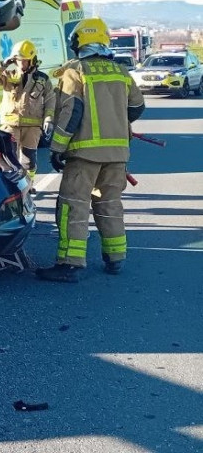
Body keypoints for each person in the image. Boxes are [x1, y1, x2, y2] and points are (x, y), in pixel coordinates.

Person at [36, 18, 145, 283]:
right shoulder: (121, 72)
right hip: (117, 155)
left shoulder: (76, 71)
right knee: (110, 204)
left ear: (78, 44)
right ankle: (115, 258)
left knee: (73, 207)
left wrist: (57, 149)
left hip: (84, 156)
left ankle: (69, 264)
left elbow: (72, 112)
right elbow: (137, 107)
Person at [0, 40, 55, 194]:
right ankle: (9, 187)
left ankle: (28, 186)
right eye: (17, 60)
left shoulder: (42, 79)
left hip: (32, 126)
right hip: (10, 124)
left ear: (31, 60)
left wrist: (48, 119)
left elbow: (50, 100)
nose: (20, 63)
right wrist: (2, 64)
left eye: (23, 60)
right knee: (9, 159)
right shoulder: (8, 75)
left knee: (29, 161)